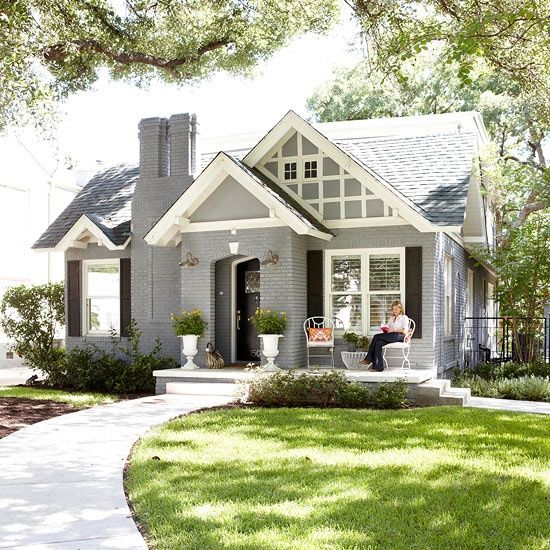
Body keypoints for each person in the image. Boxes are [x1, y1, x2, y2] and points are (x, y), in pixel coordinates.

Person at [360, 301, 409, 371]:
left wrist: (394, 329)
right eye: (393, 309)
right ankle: (378, 367)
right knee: (378, 343)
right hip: (391, 336)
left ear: (400, 309)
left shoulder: (404, 317)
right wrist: (385, 329)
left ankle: (368, 359)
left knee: (376, 336)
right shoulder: (392, 318)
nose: (394, 311)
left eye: (396, 309)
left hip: (400, 336)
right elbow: (387, 327)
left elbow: (405, 330)